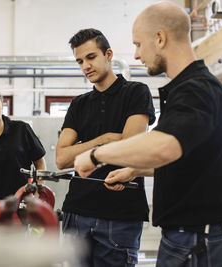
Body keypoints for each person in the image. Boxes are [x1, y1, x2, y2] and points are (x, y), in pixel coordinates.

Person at [74, 2, 222, 267]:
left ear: (160, 38)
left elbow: (165, 147)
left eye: (139, 44)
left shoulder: (195, 89)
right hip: (193, 236)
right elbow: (192, 160)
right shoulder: (190, 88)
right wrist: (135, 171)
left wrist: (95, 155)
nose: (137, 55)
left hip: (198, 239)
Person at [56, 28, 155, 267]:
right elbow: (61, 158)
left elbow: (131, 149)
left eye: (91, 57)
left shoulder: (136, 93)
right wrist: (104, 140)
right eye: (80, 61)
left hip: (119, 215)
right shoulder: (79, 104)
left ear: (108, 54)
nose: (85, 66)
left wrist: (80, 148)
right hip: (76, 212)